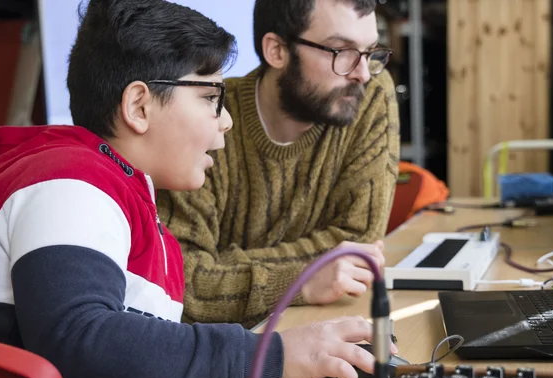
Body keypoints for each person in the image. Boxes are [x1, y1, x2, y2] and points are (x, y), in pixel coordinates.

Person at [0, 1, 396, 378]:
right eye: (210, 98)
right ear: (139, 105)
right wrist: (275, 356)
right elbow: (81, 340)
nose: (225, 120)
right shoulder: (68, 180)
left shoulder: (123, 199)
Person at [157, 0, 401, 328]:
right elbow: (187, 281)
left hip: (310, 325)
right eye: (341, 51)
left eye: (370, 52)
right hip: (227, 353)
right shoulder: (208, 118)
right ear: (277, 51)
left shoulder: (368, 94)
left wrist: (226, 270)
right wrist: (300, 279)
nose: (362, 73)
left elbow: (359, 247)